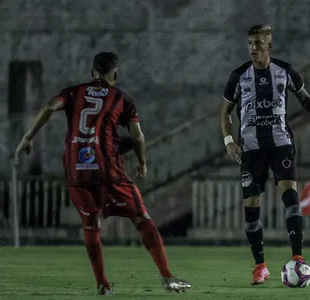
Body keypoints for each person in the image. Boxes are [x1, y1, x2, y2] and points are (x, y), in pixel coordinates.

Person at [14, 52, 191, 295]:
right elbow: (137, 134)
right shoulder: (121, 98)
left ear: (91, 73)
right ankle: (167, 277)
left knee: (90, 226)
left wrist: (27, 137)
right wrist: (142, 161)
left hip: (77, 170)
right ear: (115, 74)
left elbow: (48, 107)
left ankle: (102, 284)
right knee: (142, 219)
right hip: (108, 170)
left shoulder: (73, 93)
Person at [219, 25, 310, 285]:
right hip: (250, 148)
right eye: (250, 43)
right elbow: (225, 111)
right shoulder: (238, 75)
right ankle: (260, 266)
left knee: (290, 197)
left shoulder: (284, 71)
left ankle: (298, 258)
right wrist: (229, 141)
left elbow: (306, 100)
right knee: (251, 207)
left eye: (259, 43)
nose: (253, 48)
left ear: (269, 46)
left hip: (281, 143)